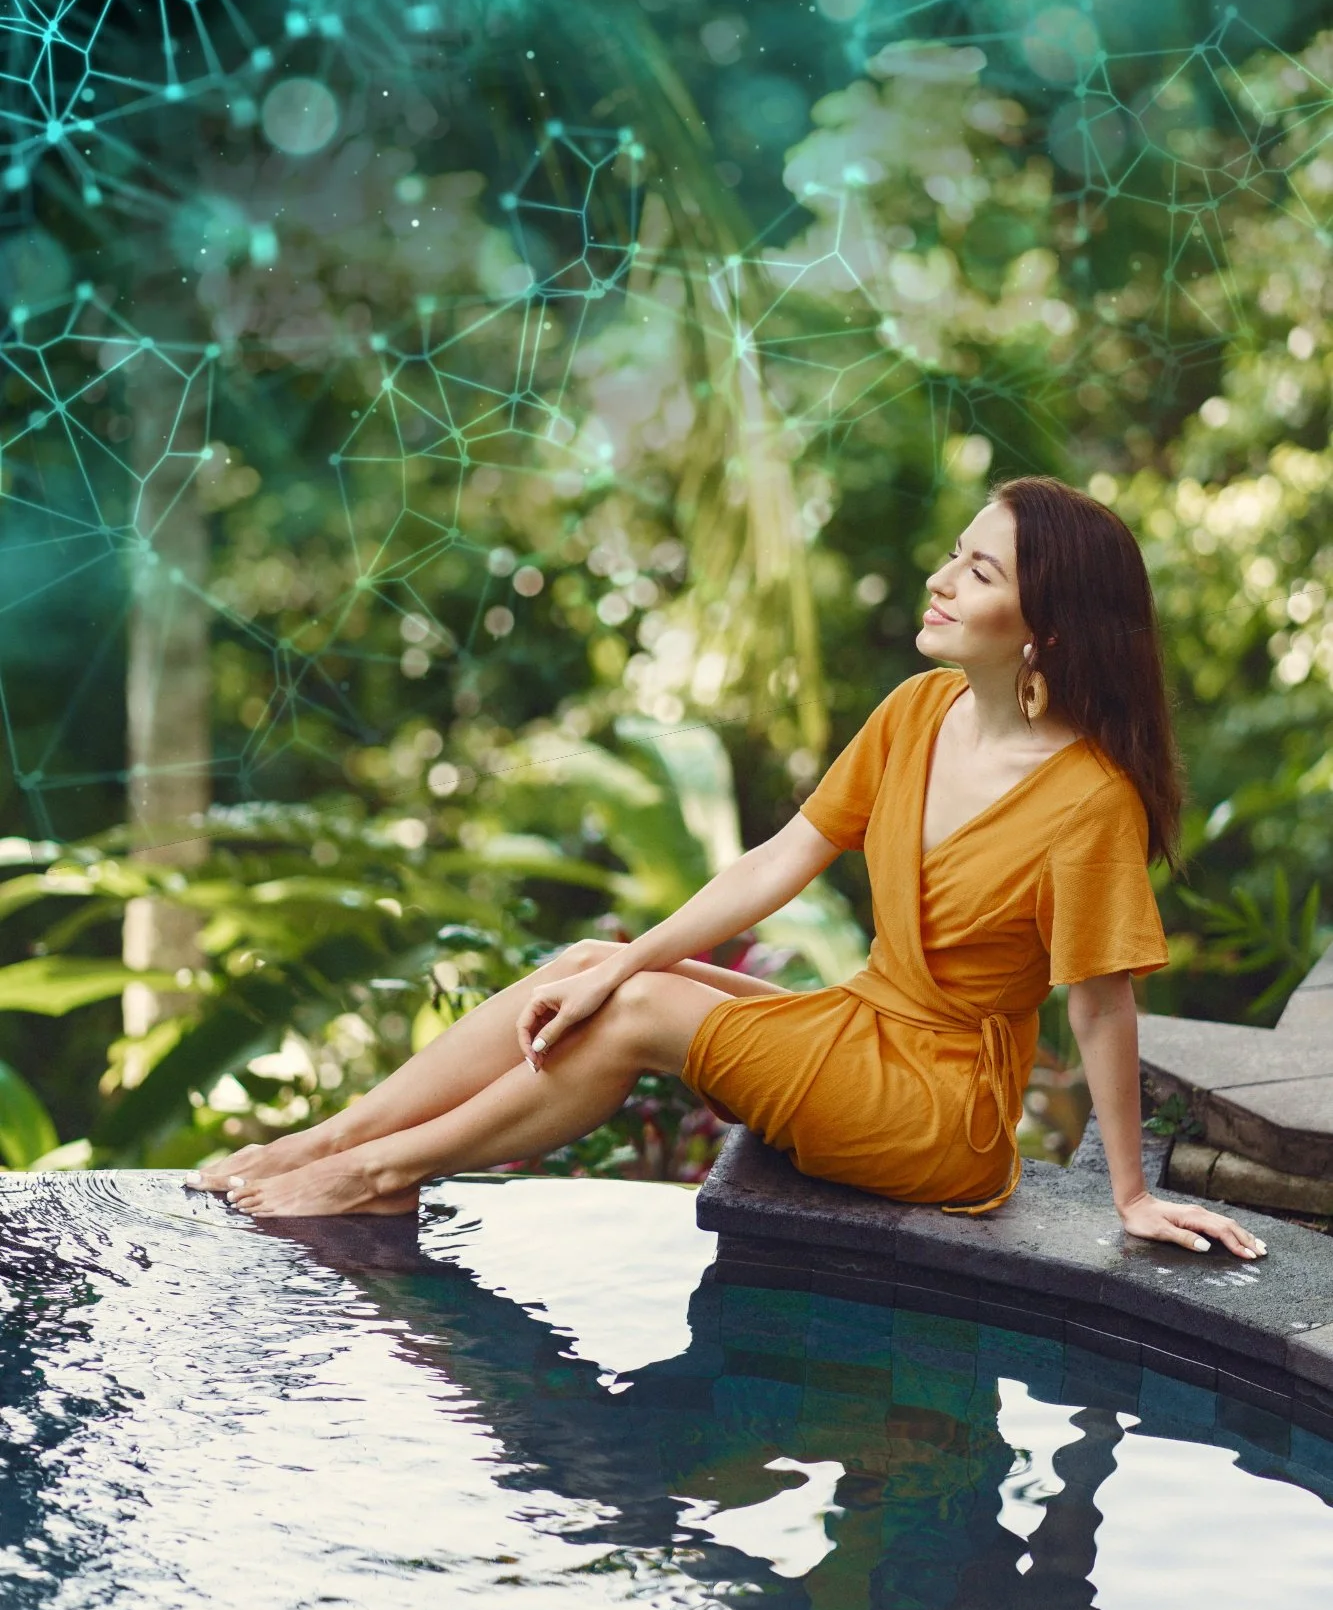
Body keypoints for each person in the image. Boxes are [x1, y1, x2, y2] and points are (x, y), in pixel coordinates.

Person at [194, 476, 1265, 1261]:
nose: (940, 580)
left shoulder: (1089, 799)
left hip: (944, 1109)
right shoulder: (916, 711)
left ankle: (379, 1175)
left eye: (979, 571)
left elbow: (1101, 1007)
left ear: (1047, 627)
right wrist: (621, 963)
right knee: (595, 962)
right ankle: (329, 1136)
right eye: (954, 552)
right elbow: (779, 859)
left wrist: (1128, 1193)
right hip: (864, 1025)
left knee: (634, 1008)